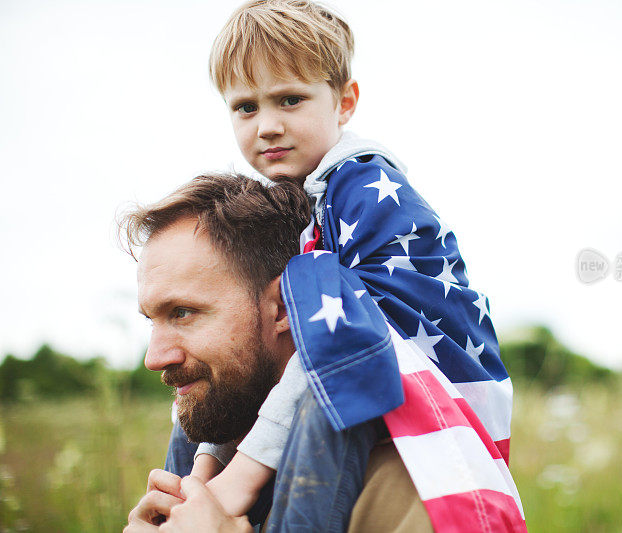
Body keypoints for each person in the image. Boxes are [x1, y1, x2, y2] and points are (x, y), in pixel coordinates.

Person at [160, 0, 526, 530]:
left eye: (289, 99)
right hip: (349, 361)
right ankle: (180, 506)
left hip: (412, 371)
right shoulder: (290, 203)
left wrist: (236, 480)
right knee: (202, 390)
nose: (267, 126)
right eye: (245, 107)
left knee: (321, 387)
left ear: (345, 102)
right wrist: (205, 471)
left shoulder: (362, 188)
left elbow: (340, 346)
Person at [122, 174, 434, 532]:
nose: (154, 358)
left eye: (182, 312)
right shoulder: (197, 484)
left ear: (285, 308)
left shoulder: (400, 495)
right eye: (153, 320)